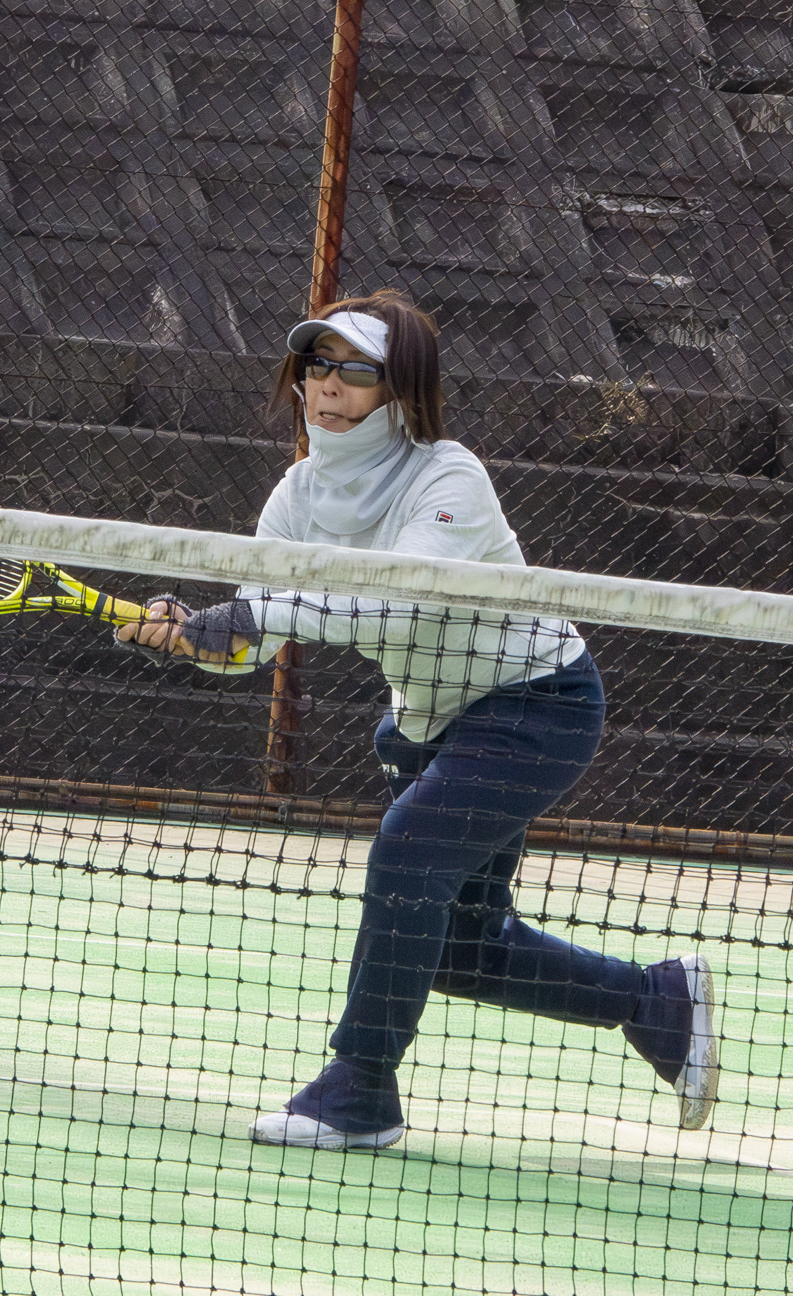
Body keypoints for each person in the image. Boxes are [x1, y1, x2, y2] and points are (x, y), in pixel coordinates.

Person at [118, 289, 718, 1149]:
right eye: (317, 364)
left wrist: (255, 613)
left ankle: (360, 1090)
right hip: (431, 722)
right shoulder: (296, 496)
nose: (328, 384)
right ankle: (655, 1001)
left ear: (398, 390)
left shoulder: (448, 476)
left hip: (535, 705)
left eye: (355, 370)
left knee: (407, 855)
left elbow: (401, 607)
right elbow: (256, 642)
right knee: (458, 951)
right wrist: (189, 637)